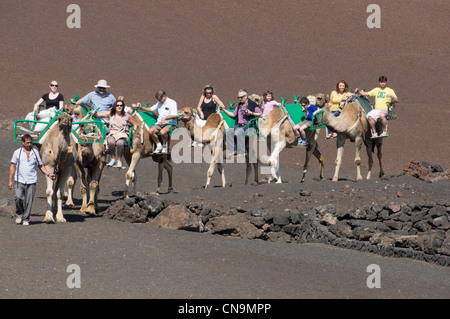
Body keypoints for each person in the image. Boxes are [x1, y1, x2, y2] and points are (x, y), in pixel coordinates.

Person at [8, 134, 55, 225]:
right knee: (18, 198)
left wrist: (48, 174)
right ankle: (19, 215)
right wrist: (10, 180)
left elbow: (40, 165)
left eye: (31, 143)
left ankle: (26, 218)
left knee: (29, 201)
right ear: (23, 142)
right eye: (28, 143)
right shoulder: (17, 152)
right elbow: (12, 166)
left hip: (31, 181)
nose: (30, 144)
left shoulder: (35, 152)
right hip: (19, 180)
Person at [220, 89, 262, 158]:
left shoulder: (252, 104)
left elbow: (260, 114)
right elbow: (233, 115)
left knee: (238, 132)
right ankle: (233, 150)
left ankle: (242, 151)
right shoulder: (239, 104)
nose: (240, 99)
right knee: (226, 131)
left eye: (241, 97)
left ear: (246, 96)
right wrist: (223, 110)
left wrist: (251, 113)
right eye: (238, 97)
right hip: (239, 125)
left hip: (249, 124)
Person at [105, 98, 136, 168]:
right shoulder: (111, 114)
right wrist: (94, 113)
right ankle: (113, 158)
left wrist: (134, 130)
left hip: (122, 133)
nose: (119, 107)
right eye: (117, 105)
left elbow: (135, 124)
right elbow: (99, 114)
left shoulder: (127, 116)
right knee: (111, 142)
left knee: (120, 143)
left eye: (121, 105)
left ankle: (119, 160)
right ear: (115, 106)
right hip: (113, 133)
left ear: (123, 107)